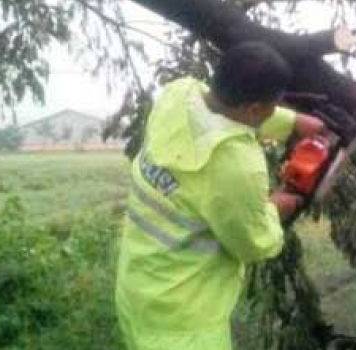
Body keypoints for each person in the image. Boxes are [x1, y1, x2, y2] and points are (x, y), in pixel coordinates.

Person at [115, 41, 324, 350]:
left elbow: (226, 110)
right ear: (254, 109)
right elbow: (253, 243)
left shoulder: (179, 93)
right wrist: (277, 206)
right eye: (269, 106)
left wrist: (291, 123)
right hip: (185, 326)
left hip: (138, 294)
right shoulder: (234, 164)